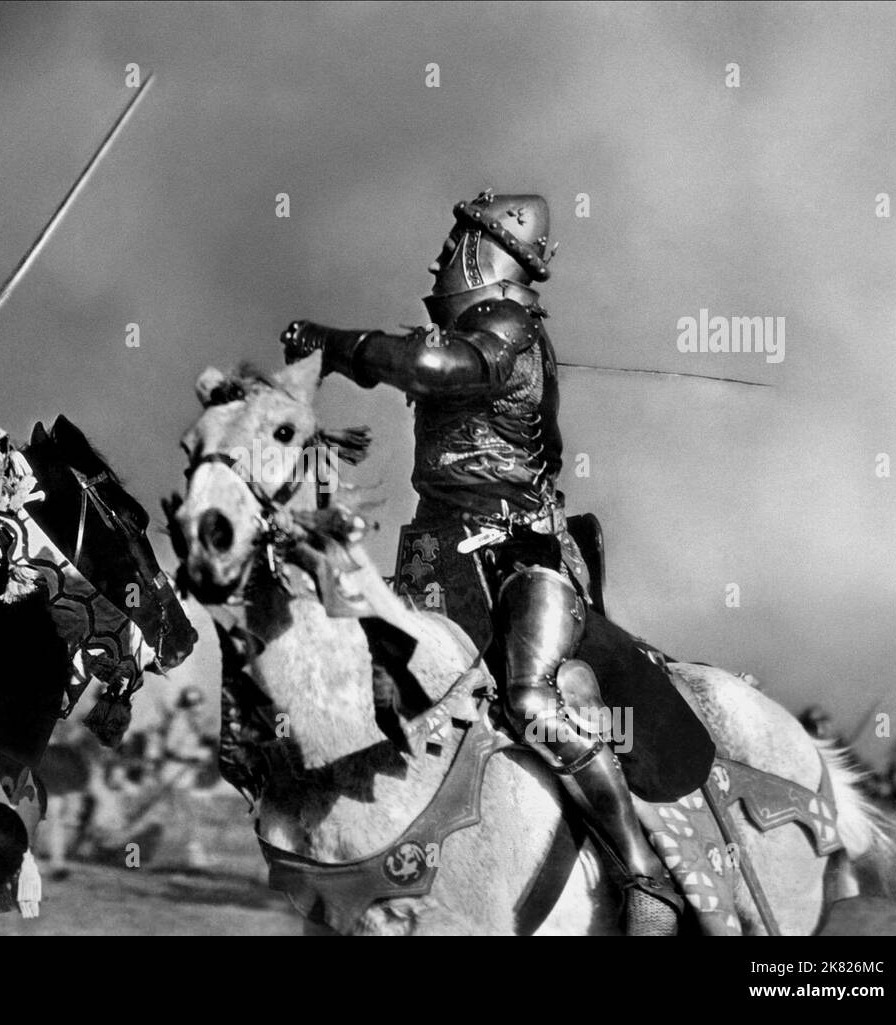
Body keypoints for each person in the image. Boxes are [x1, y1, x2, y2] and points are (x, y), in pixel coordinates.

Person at [279, 190, 687, 934]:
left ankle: (641, 872)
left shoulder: (506, 327)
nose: (439, 259)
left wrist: (335, 343)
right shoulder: (487, 330)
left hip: (519, 557)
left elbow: (431, 365)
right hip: (440, 560)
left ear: (485, 249)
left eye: (452, 243)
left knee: (531, 702)